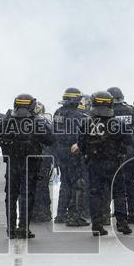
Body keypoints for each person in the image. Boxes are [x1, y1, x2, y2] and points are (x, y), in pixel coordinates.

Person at [0, 94, 54, 239]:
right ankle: (23, 228)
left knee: (11, 196)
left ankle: (10, 229)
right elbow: (51, 140)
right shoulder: (37, 122)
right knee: (27, 196)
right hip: (31, 164)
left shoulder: (6, 121)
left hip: (13, 163)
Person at [75, 91, 130, 236]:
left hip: (95, 163)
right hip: (115, 162)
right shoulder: (118, 123)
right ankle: (122, 223)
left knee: (95, 194)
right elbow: (129, 142)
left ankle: (97, 225)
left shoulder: (86, 122)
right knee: (119, 193)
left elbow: (81, 144)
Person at [109, 86, 134, 225]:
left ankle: (109, 214)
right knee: (131, 185)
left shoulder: (105, 112)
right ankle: (132, 215)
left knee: (111, 185)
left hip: (111, 153)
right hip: (131, 153)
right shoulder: (132, 110)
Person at [52, 88, 90, 227]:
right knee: (78, 184)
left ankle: (61, 214)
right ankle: (74, 217)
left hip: (60, 152)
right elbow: (84, 135)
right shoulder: (78, 115)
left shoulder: (58, 113)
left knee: (65, 183)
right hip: (74, 153)